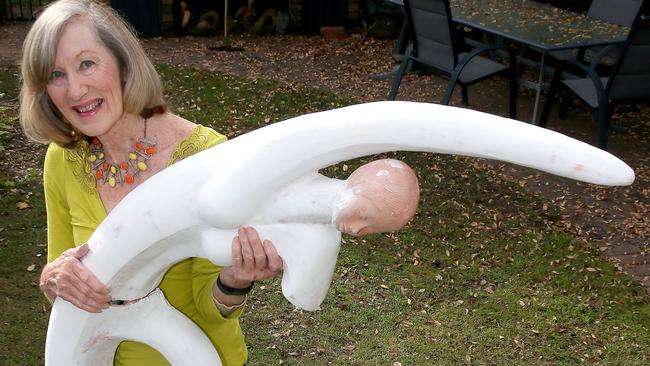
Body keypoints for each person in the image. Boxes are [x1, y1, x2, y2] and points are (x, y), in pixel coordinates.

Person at [19, 0, 282, 365]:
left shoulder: (207, 156)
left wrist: (235, 279)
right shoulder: (62, 159)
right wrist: (55, 278)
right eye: (55, 74)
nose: (75, 90)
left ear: (123, 62)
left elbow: (209, 308)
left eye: (87, 64)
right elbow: (62, 280)